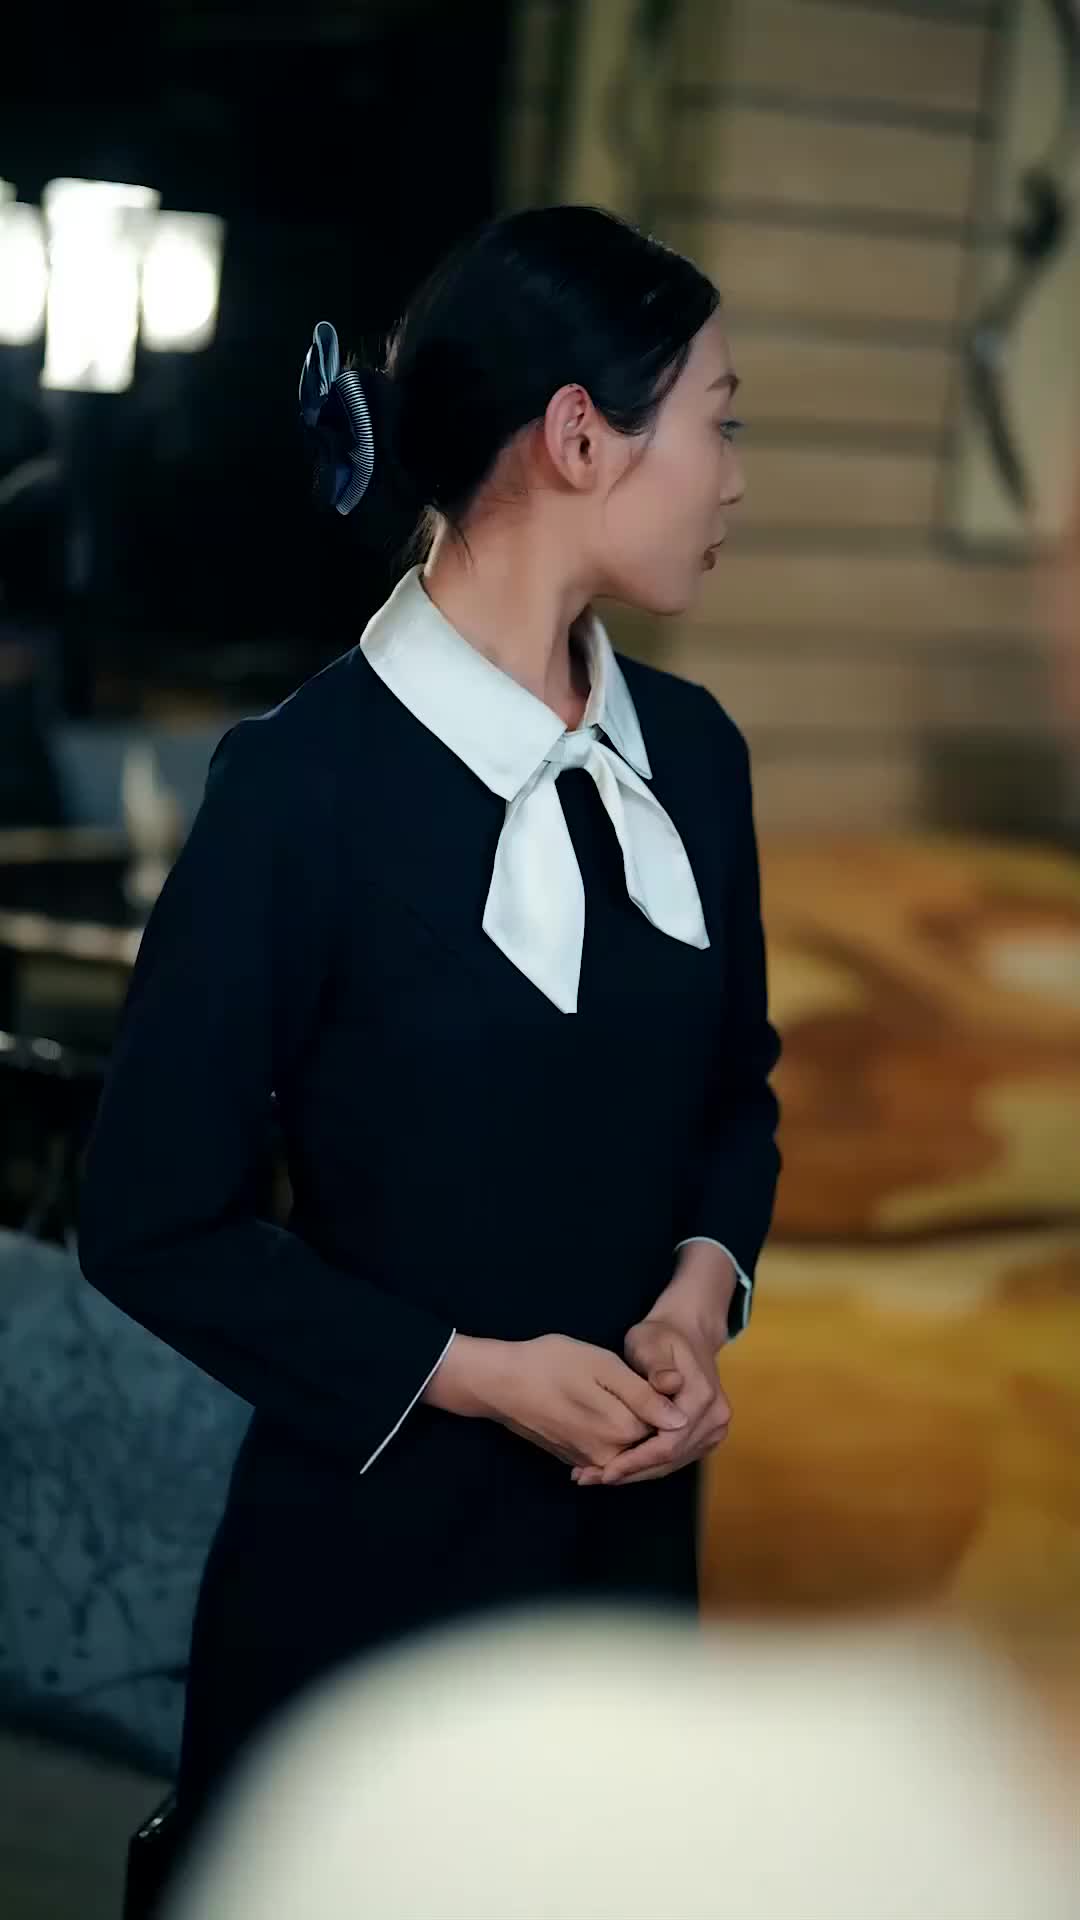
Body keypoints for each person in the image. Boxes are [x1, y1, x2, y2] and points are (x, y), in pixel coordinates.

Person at [77, 204, 782, 1873]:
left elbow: (735, 1098)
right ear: (581, 436)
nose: (739, 478)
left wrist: (696, 1304)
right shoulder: (301, 787)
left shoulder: (695, 756)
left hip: (623, 1560)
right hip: (368, 1571)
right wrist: (477, 1374)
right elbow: (150, 1219)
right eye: (721, 421)